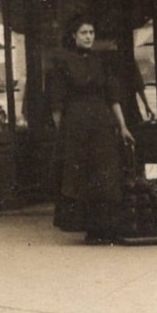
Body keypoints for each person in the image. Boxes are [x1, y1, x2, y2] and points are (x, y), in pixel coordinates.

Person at [49, 15, 136, 244]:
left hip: (102, 123)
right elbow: (56, 103)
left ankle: (107, 228)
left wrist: (123, 126)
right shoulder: (63, 62)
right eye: (84, 33)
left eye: (91, 33)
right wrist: (62, 132)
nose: (88, 37)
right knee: (84, 177)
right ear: (73, 36)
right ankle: (91, 230)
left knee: (106, 175)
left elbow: (112, 96)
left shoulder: (101, 62)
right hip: (76, 125)